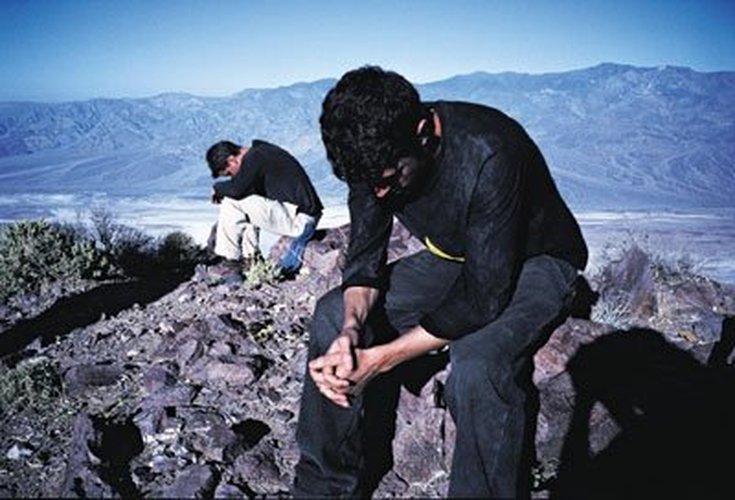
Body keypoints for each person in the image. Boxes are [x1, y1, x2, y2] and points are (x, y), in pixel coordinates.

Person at [292, 66, 588, 498]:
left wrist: (381, 360)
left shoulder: (489, 151)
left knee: (480, 364)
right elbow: (365, 260)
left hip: (538, 260)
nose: (379, 194)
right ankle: (325, 489)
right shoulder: (370, 153)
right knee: (332, 313)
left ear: (422, 132)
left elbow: (483, 298)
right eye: (370, 183)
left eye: (389, 179)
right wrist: (351, 331)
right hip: (456, 257)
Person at [205, 139, 323, 280]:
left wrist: (217, 188)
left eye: (229, 173)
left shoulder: (256, 157)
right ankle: (250, 259)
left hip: (300, 219)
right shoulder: (262, 153)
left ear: (232, 160)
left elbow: (236, 189)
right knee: (242, 202)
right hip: (300, 215)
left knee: (232, 201)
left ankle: (230, 260)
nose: (232, 177)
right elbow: (241, 189)